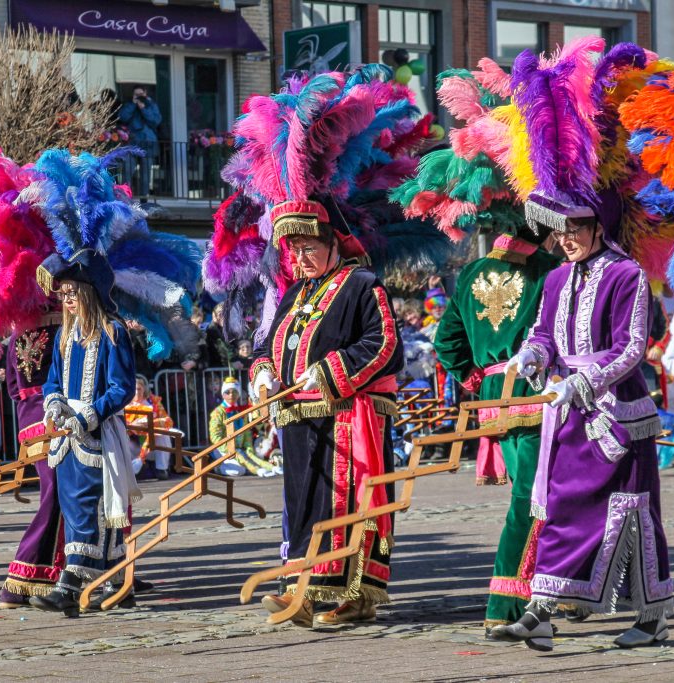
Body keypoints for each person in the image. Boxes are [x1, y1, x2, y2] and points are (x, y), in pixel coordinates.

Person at [496, 39, 672, 651]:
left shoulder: (626, 275)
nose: (565, 238)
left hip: (616, 415)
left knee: (629, 515)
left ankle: (651, 616)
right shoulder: (552, 277)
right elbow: (544, 332)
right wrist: (534, 357)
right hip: (566, 410)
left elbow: (630, 349)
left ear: (596, 223)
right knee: (565, 513)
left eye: (574, 227)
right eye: (559, 229)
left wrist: (584, 379)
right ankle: (541, 611)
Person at [252, 200, 402, 626]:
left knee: (343, 508)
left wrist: (329, 371)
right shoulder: (296, 292)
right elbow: (268, 346)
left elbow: (384, 344)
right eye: (293, 250)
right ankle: (302, 589)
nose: (300, 259)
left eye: (308, 248)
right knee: (302, 508)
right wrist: (264, 374)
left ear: (332, 242)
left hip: (346, 416)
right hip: (299, 420)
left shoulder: (362, 284)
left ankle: (355, 596)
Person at [431, 220, 560, 635]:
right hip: (537, 392)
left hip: (493, 397)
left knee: (538, 498)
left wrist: (476, 377)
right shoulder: (548, 270)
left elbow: (446, 341)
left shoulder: (470, 271)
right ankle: (506, 602)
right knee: (532, 500)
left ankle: (560, 591)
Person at [30, 249, 141, 617]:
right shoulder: (65, 333)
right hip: (66, 437)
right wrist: (54, 403)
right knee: (75, 506)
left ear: (89, 291)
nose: (66, 300)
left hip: (96, 433)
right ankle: (117, 581)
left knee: (90, 508)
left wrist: (88, 416)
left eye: (71, 293)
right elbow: (51, 380)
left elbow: (121, 388)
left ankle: (71, 584)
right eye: (62, 294)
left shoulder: (113, 332)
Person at [0, 307, 65, 607]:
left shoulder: (17, 334)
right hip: (57, 419)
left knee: (53, 494)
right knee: (59, 496)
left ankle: (53, 572)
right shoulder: (63, 330)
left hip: (29, 422)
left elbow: (13, 387)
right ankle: (26, 573)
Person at [207, 377, 278, 477]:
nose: (231, 395)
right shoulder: (217, 412)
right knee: (238, 471)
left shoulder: (240, 411)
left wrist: (248, 447)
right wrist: (231, 449)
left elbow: (247, 432)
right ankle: (217, 467)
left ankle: (273, 468)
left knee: (251, 459)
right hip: (223, 449)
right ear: (223, 394)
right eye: (228, 392)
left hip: (239, 449)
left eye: (234, 392)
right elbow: (215, 438)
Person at [126, 375, 175, 480]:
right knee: (121, 439)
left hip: (152, 444)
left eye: (139, 389)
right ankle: (130, 472)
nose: (136, 392)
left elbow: (168, 421)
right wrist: (133, 425)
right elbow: (120, 424)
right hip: (134, 443)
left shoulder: (153, 402)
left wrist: (152, 424)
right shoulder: (124, 403)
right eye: (134, 389)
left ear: (144, 389)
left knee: (164, 435)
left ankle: (162, 469)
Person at [119, 86, 162, 200]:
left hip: (148, 141)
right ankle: (125, 195)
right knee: (127, 169)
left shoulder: (151, 105)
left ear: (146, 94)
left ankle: (144, 197)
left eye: (141, 94)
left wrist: (144, 109)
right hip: (132, 141)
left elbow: (156, 121)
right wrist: (133, 104)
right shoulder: (130, 105)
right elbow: (123, 117)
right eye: (136, 94)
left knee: (146, 172)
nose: (139, 97)